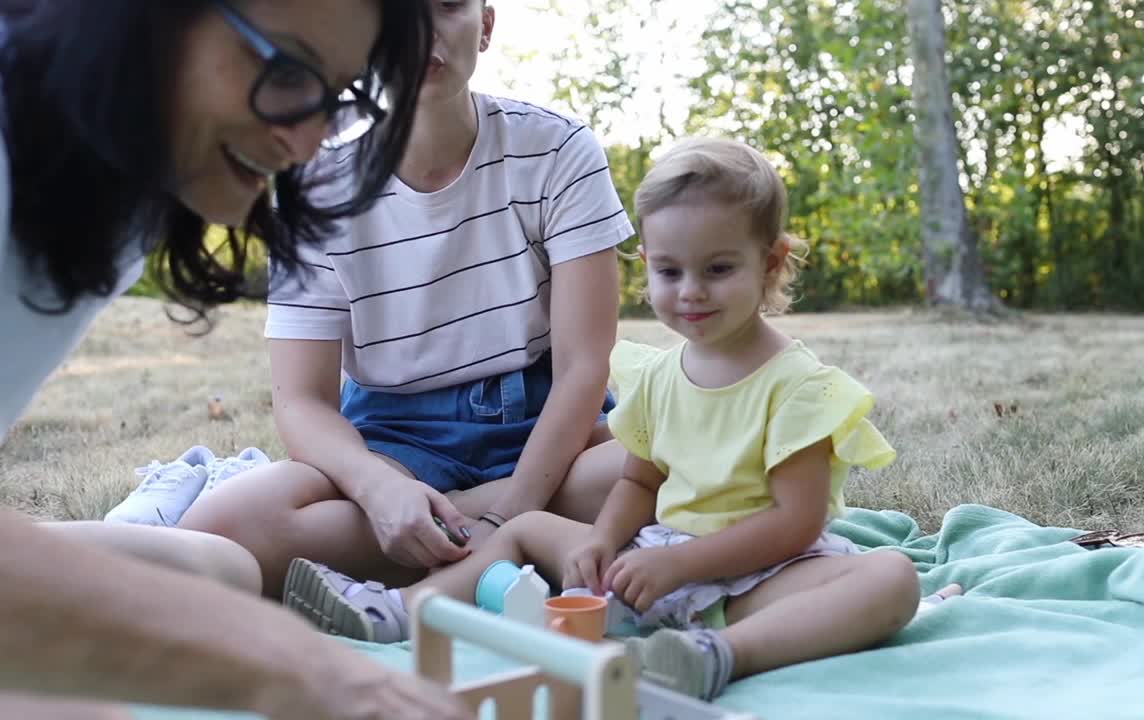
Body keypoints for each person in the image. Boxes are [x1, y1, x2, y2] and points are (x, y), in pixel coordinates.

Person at [280, 137, 963, 698]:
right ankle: (396, 611)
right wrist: (603, 541)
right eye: (669, 272)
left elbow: (796, 522)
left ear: (772, 263)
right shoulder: (663, 376)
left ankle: (718, 655)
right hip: (656, 560)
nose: (690, 292)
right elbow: (640, 483)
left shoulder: (798, 387)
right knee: (522, 527)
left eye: (718, 269)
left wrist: (683, 567)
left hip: (760, 577)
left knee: (890, 579)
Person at [0, 1, 469, 718]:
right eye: (286, 70)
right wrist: (300, 670)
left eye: (337, 96)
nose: (308, 142)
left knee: (216, 567)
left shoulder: (130, 190)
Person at [179, 0, 633, 598]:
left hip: (546, 425)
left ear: (486, 26)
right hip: (394, 437)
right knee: (222, 526)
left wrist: (503, 518)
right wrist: (378, 490)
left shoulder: (558, 150)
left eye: (447, 6)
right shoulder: (316, 182)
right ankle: (498, 539)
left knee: (672, 472)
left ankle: (474, 534)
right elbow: (301, 401)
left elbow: (583, 367)